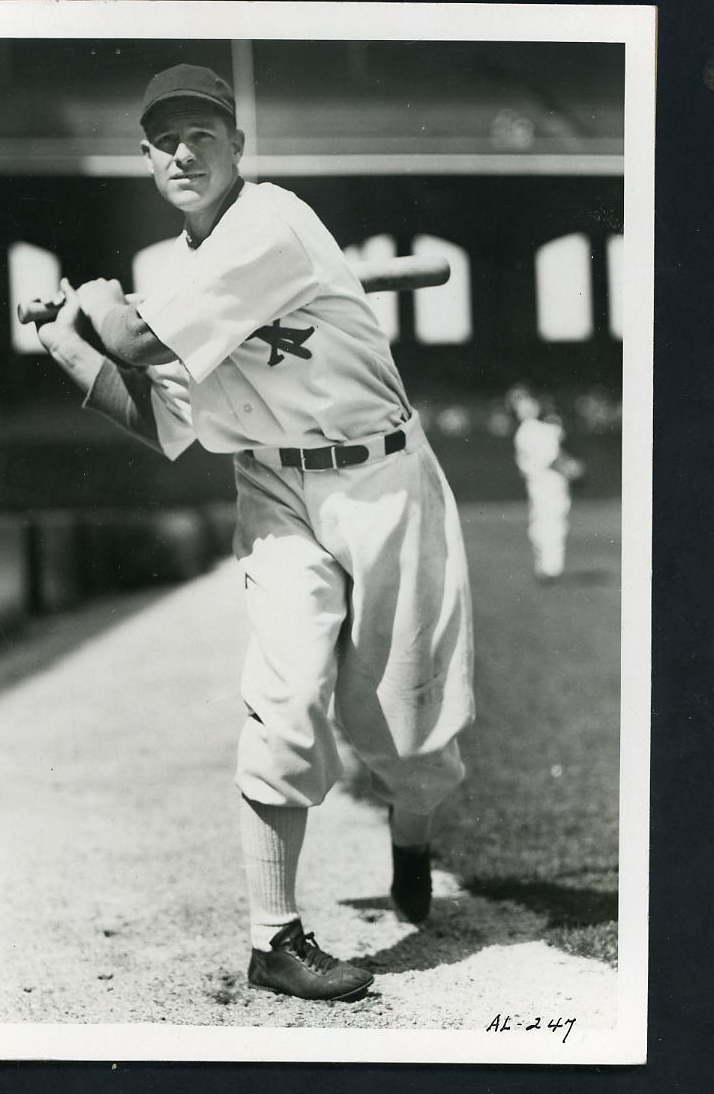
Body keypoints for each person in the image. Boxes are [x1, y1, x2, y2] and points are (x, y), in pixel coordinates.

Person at [36, 64, 475, 1003]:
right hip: (276, 490)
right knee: (283, 700)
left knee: (407, 725)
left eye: (203, 133)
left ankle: (411, 832)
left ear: (239, 146)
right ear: (146, 157)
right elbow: (161, 421)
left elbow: (144, 339)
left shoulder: (273, 222)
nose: (184, 151)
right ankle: (273, 938)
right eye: (165, 138)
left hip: (383, 476)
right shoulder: (181, 276)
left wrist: (105, 308)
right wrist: (72, 346)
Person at [506, 384, 583, 583]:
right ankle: (550, 568)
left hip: (545, 480)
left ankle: (545, 566)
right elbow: (552, 458)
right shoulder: (529, 430)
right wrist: (572, 469)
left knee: (544, 521)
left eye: (528, 402)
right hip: (546, 480)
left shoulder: (538, 428)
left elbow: (555, 449)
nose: (527, 407)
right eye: (521, 404)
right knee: (552, 522)